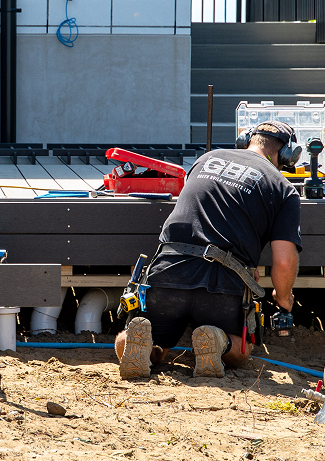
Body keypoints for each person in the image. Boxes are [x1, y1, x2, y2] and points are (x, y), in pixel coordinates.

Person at [115, 121, 302, 380]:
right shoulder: (283, 187)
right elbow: (283, 261)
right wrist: (283, 299)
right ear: (287, 155)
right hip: (223, 282)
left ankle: (142, 346)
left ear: (245, 140)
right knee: (241, 349)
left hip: (169, 269)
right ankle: (218, 343)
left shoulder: (206, 159)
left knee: (144, 337)